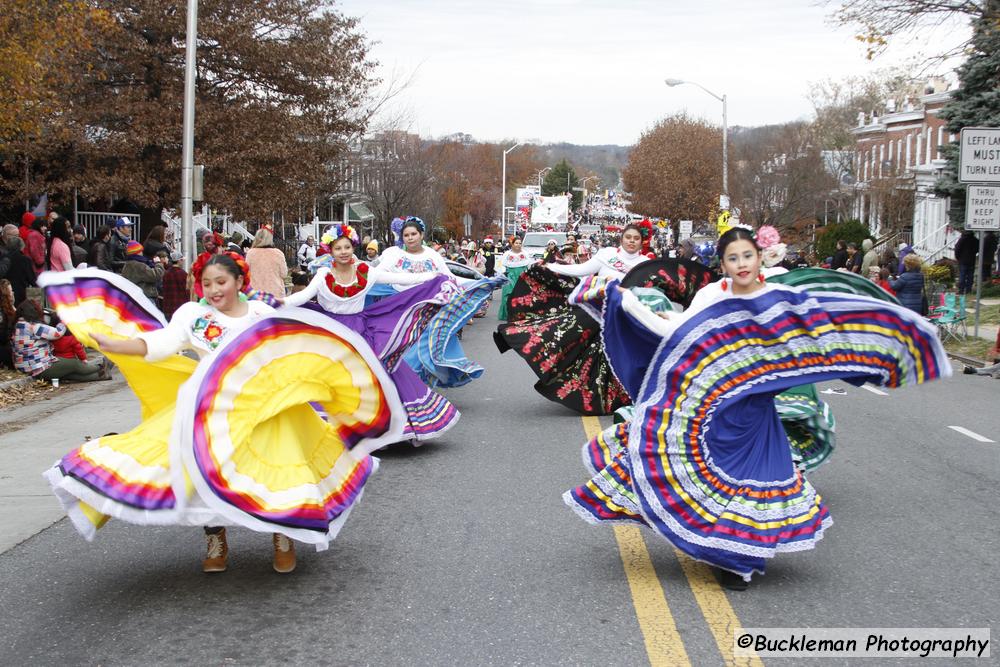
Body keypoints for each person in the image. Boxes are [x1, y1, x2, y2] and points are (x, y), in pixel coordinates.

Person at [564, 225, 949, 589]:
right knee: (707, 479)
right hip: (715, 412)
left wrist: (886, 348)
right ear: (723, 264)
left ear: (760, 257)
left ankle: (736, 561)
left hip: (758, 415)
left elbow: (821, 337)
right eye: (733, 258)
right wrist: (625, 300)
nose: (743, 263)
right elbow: (677, 334)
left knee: (756, 480)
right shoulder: (713, 295)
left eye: (748, 255)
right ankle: (726, 553)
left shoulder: (780, 300)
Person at [42, 254, 404, 574]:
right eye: (206, 283)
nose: (214, 290)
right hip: (211, 412)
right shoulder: (192, 315)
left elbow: (292, 352)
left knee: (278, 475)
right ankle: (215, 540)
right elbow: (159, 344)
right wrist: (115, 344)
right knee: (198, 472)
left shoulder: (262, 314)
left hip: (269, 411)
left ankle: (284, 534)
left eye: (221, 282)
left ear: (239, 282)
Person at [284, 224, 460, 443]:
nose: (343, 252)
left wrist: (435, 276)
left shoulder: (366, 272)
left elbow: (400, 279)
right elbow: (302, 297)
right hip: (331, 334)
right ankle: (329, 428)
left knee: (377, 374)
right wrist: (276, 302)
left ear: (353, 248)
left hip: (360, 332)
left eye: (347, 247)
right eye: (338, 248)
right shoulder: (322, 275)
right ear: (330, 251)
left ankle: (384, 428)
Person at [493, 223, 656, 415]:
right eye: (628, 237)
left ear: (642, 241)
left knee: (618, 359)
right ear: (622, 238)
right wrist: (549, 266)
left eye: (636, 238)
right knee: (561, 337)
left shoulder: (646, 264)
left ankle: (619, 398)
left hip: (627, 320)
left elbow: (651, 292)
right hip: (597, 313)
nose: (632, 241)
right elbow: (581, 270)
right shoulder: (607, 255)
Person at [381, 217, 504, 388]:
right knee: (405, 347)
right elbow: (376, 275)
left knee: (424, 346)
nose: (410, 238)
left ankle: (417, 386)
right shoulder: (394, 255)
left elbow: (450, 278)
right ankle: (406, 385)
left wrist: (482, 283)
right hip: (403, 308)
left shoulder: (432, 255)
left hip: (429, 308)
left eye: (413, 234)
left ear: (421, 234)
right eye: (406, 235)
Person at [11, 299, 109, 382]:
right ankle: (100, 367)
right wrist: (64, 321)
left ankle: (101, 376)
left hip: (24, 367)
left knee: (68, 374)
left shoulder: (19, 325)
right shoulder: (34, 327)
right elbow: (57, 333)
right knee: (73, 364)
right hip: (39, 367)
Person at [244, 227, 287, 297]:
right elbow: (284, 274)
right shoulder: (278, 253)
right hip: (275, 293)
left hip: (256, 293)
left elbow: (246, 272)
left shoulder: (251, 253)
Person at [497, 237, 532, 321]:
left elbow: (529, 266)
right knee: (508, 295)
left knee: (522, 295)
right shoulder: (507, 254)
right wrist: (504, 274)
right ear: (512, 244)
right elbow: (501, 266)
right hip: (510, 276)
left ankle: (521, 314)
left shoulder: (525, 254)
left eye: (520, 243)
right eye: (516, 243)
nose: (518, 245)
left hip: (522, 276)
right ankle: (507, 314)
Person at [3, 237, 37, 303]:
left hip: (5, 293)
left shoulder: (3, 258)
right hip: (21, 294)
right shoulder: (25, 260)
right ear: (21, 246)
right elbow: (32, 279)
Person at [161, 251, 189, 320]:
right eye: (182, 260)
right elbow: (187, 291)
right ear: (179, 261)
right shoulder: (184, 274)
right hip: (181, 308)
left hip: (168, 308)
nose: (183, 262)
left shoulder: (166, 274)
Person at [954, 229, 978, 295]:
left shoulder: (962, 239)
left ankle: (961, 290)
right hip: (972, 260)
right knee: (970, 276)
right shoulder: (975, 240)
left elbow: (957, 249)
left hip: (963, 260)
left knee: (962, 275)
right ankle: (968, 290)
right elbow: (977, 249)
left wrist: (957, 257)